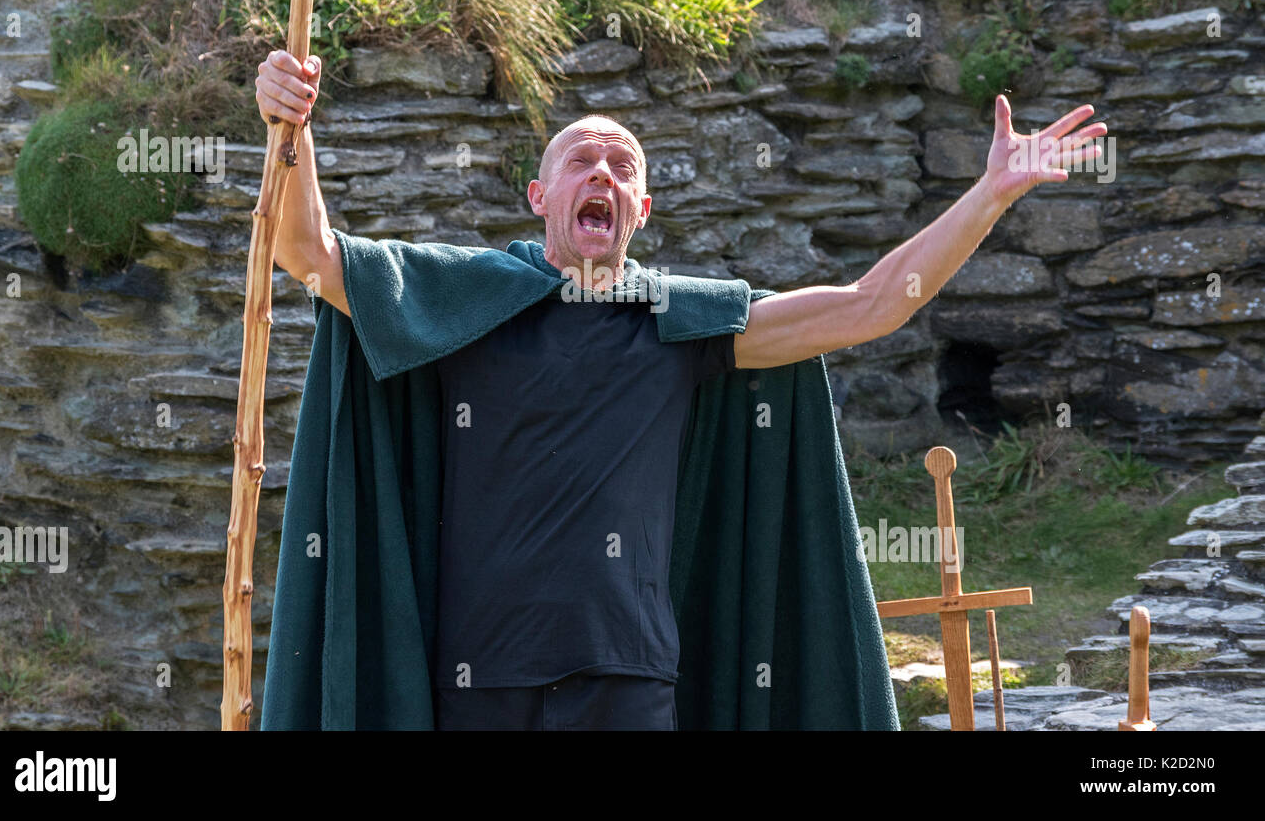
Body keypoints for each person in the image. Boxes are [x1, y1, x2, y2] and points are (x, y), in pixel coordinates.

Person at [253, 49, 1106, 730]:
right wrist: (292, 127)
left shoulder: (679, 322)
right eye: (580, 161)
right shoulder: (465, 296)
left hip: (629, 677)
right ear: (539, 196)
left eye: (621, 168)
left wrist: (990, 195)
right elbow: (310, 256)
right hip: (479, 674)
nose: (602, 175)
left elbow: (872, 306)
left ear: (644, 208)